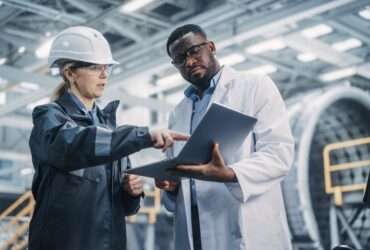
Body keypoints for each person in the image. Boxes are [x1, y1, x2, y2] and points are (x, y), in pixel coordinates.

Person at [28, 26, 187, 250]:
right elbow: (75, 145)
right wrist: (144, 135)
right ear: (70, 73)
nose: (104, 74)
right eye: (95, 67)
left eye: (107, 67)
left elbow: (127, 209)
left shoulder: (110, 130)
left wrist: (131, 192)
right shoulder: (49, 118)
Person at [155, 24, 295, 250]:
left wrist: (230, 174)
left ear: (211, 47)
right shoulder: (178, 112)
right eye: (180, 59)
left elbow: (279, 154)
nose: (189, 62)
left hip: (246, 226)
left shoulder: (255, 86)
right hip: (196, 233)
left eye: (193, 51)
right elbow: (181, 175)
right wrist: (171, 187)